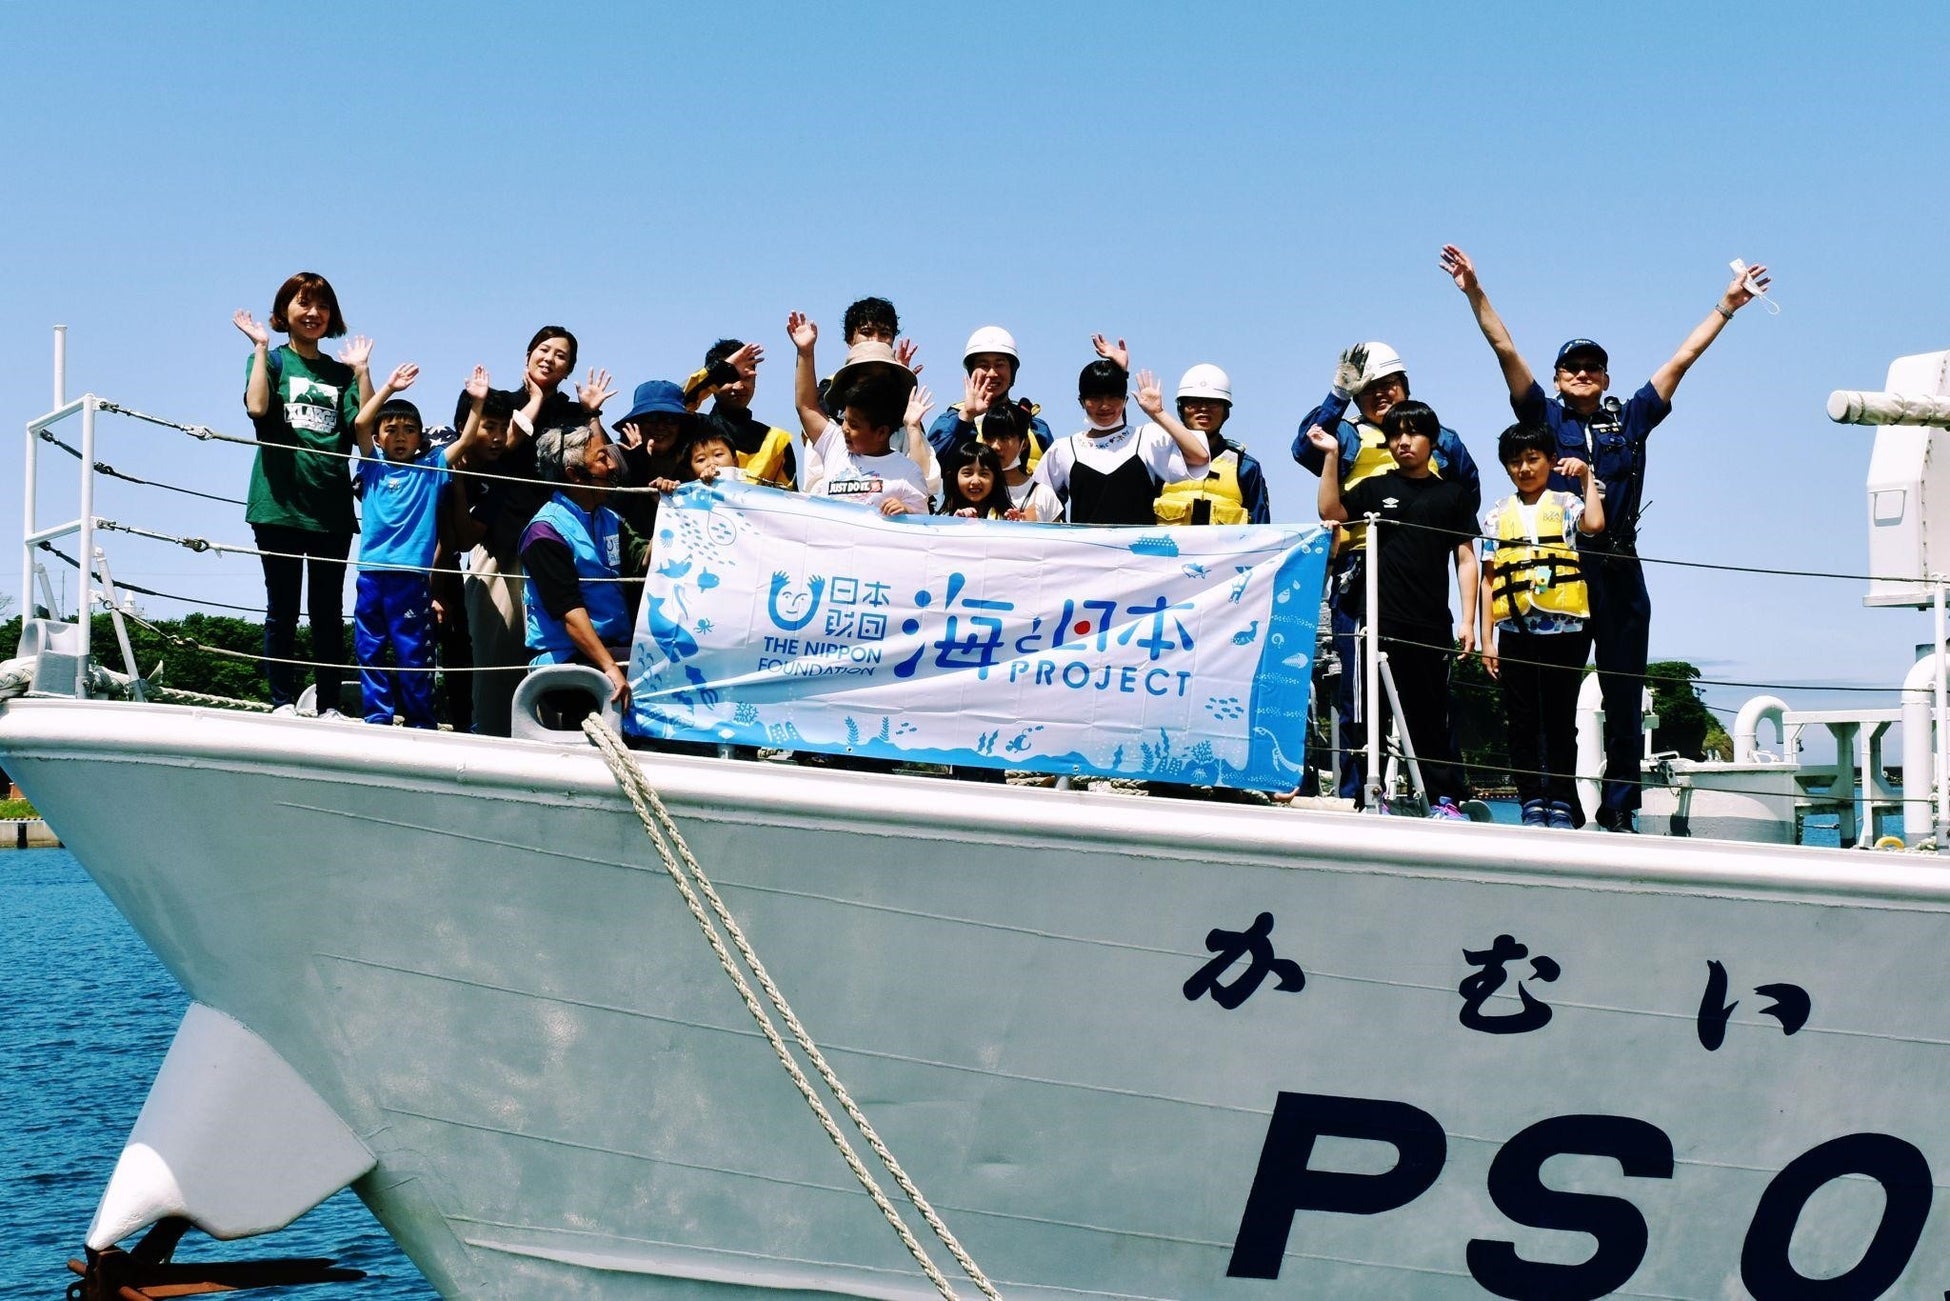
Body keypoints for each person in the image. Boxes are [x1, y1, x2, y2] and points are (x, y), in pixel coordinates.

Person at [1442, 244, 1770, 831]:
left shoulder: (1633, 416)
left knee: (1622, 691)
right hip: (1559, 571)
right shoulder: (1541, 417)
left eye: (1593, 367)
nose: (1583, 374)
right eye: (1572, 368)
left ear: (1606, 376)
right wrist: (1473, 289)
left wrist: (1728, 305)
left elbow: (1683, 359)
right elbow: (1504, 348)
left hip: (1617, 563)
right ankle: (1553, 801)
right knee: (1547, 697)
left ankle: (1619, 809)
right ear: (1559, 378)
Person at [1292, 341, 1480, 800]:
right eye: (1368, 388)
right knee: (1358, 688)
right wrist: (1336, 395)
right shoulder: (1348, 433)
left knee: (1430, 694)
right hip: (1360, 570)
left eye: (1389, 384)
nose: (1380, 394)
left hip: (1418, 575)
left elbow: (1465, 499)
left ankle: (1444, 794)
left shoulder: (1443, 439)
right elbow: (1303, 449)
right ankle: (1358, 792)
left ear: (1406, 385)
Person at [234, 271, 374, 718]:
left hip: (331, 509)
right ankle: (281, 701)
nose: (313, 313)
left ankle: (330, 703)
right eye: (303, 303)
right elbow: (257, 408)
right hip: (277, 505)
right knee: (282, 609)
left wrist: (364, 373)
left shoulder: (340, 373)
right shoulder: (272, 362)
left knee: (329, 613)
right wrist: (258, 347)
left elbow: (363, 427)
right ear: (284, 313)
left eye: (322, 305)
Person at [464, 327, 611, 736]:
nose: (550, 358)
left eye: (561, 355)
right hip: (503, 543)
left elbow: (600, 465)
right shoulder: (501, 403)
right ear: (527, 355)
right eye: (543, 350)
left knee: (555, 652)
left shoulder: (573, 412)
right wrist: (535, 400)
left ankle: (552, 743)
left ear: (570, 368)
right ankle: (490, 737)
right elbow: (506, 444)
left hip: (557, 548)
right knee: (497, 652)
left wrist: (592, 414)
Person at [348, 363, 490, 728]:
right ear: (379, 439)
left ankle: (420, 720)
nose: (399, 436)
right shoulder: (373, 464)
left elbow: (466, 441)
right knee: (370, 648)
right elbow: (361, 423)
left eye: (409, 431)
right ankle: (377, 716)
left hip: (411, 578)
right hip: (371, 574)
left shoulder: (430, 468)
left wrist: (477, 403)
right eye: (391, 430)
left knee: (412, 652)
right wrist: (389, 388)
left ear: (420, 439)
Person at [1478, 423, 1605, 829]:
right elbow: (1488, 578)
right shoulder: (1496, 514)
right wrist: (1487, 639)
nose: (1524, 468)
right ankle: (1532, 799)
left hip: (1566, 632)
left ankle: (1564, 802)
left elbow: (1595, 526)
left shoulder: (1567, 503)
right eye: (1515, 462)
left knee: (1558, 720)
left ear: (1550, 461)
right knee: (1522, 722)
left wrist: (1586, 477)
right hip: (1515, 630)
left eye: (1533, 459)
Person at [1029, 338, 1210, 525]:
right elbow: (1036, 503)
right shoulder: (1063, 449)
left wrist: (1158, 413)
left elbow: (1199, 457)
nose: (1105, 405)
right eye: (1095, 398)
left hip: (1141, 553)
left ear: (1125, 400)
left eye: (1113, 397)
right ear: (1081, 401)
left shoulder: (1146, 438)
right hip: (1086, 552)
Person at [520, 421, 632, 708]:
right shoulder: (545, 532)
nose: (612, 465)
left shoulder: (610, 518)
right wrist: (610, 668)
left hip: (611, 649)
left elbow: (647, 559)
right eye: (602, 458)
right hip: (565, 659)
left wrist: (668, 505)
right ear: (575, 475)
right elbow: (570, 613)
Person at [787, 311, 929, 515]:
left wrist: (907, 511)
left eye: (854, 426)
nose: (844, 429)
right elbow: (806, 407)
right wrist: (805, 353)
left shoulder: (908, 473)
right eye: (845, 420)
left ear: (881, 433)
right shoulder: (834, 445)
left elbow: (924, 526)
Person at [1153, 364, 1271, 525]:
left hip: (1228, 551)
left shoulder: (1245, 467)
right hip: (1169, 550)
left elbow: (1262, 530)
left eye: (1213, 403)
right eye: (1193, 402)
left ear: (1225, 411)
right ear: (1181, 408)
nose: (1203, 409)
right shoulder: (1158, 459)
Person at [926, 326, 1053, 464]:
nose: (992, 374)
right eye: (984, 365)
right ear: (971, 372)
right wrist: (966, 418)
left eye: (1000, 364)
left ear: (1012, 371)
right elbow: (929, 468)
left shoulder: (1034, 427)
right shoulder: (950, 422)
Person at [680, 339, 797, 487]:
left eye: (746, 378)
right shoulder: (694, 427)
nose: (739, 386)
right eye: (731, 378)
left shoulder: (777, 441)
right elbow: (675, 402)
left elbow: (789, 500)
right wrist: (721, 369)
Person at [981, 400, 1062, 522]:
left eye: (1004, 438)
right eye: (989, 438)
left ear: (1024, 444)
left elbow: (1056, 540)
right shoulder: (973, 488)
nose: (995, 446)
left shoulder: (1043, 495)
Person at [936, 442, 1015, 518]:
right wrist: (956, 521)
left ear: (995, 479)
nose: (975, 481)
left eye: (983, 474)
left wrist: (1015, 522)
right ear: (954, 478)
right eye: (967, 473)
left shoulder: (1005, 517)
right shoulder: (943, 519)